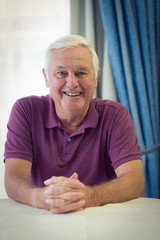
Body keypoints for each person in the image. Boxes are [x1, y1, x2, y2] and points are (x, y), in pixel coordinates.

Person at [4, 34, 144, 214]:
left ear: (96, 77)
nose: (72, 83)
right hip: (41, 217)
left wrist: (90, 195)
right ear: (46, 77)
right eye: (61, 73)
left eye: (82, 73)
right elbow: (13, 178)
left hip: (101, 219)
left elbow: (134, 180)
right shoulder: (25, 110)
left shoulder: (116, 115)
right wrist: (43, 197)